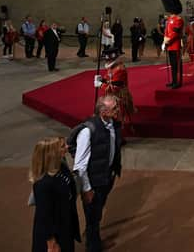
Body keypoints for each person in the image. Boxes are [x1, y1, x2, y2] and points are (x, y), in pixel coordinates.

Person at [73, 95, 122, 252]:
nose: (118, 110)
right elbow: (80, 165)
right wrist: (86, 189)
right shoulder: (88, 131)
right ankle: (93, 246)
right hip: (93, 180)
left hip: (107, 175)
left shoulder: (114, 124)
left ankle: (93, 236)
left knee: (97, 211)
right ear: (103, 111)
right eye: (114, 108)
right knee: (92, 216)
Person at [29, 137, 81, 252]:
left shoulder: (61, 167)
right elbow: (44, 216)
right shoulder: (42, 184)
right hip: (53, 234)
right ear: (51, 153)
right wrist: (51, 243)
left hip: (65, 226)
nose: (67, 147)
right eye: (63, 146)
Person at [94, 48, 136, 130]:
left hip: (119, 95)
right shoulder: (112, 67)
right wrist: (102, 79)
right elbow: (109, 79)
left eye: (108, 60)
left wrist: (101, 85)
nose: (107, 62)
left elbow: (114, 87)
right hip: (112, 95)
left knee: (117, 114)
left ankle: (118, 135)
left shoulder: (119, 69)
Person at [162, 0, 184, 89]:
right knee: (172, 65)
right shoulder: (170, 19)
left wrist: (167, 41)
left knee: (177, 65)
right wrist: (164, 42)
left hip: (175, 45)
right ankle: (173, 81)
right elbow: (166, 32)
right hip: (170, 46)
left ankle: (177, 82)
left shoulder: (178, 19)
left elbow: (174, 33)